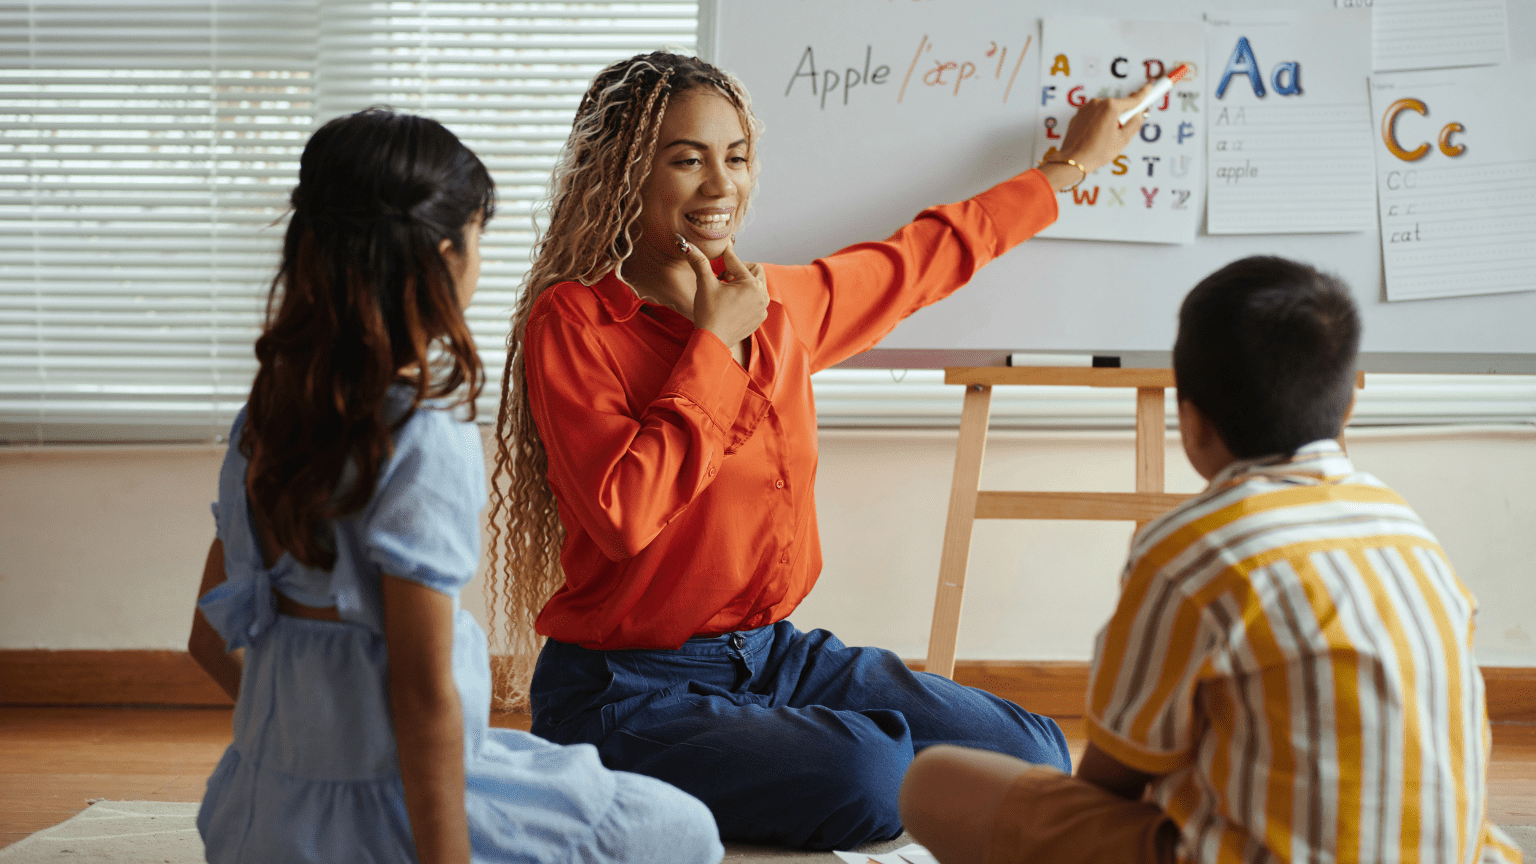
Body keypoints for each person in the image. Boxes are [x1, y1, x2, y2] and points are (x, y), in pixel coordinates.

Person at [486, 50, 1155, 850]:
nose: (720, 185)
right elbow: (625, 514)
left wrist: (1070, 167)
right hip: (628, 686)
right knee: (870, 775)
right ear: (623, 173)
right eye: (686, 160)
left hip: (774, 656)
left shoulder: (779, 309)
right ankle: (651, 766)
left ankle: (788, 748)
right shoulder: (575, 320)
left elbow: (921, 260)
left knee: (1032, 751)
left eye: (736, 158)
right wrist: (712, 345)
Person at [186, 108, 723, 864]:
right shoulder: (421, 438)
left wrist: (307, 755)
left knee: (555, 776)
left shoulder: (263, 421)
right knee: (683, 829)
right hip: (389, 819)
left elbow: (207, 637)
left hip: (258, 816)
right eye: (477, 236)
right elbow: (423, 696)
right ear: (444, 257)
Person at [897, 256, 1525, 864]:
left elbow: (1111, 784)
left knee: (935, 781)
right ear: (1346, 408)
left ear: (1191, 422)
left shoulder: (1193, 550)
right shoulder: (1407, 531)